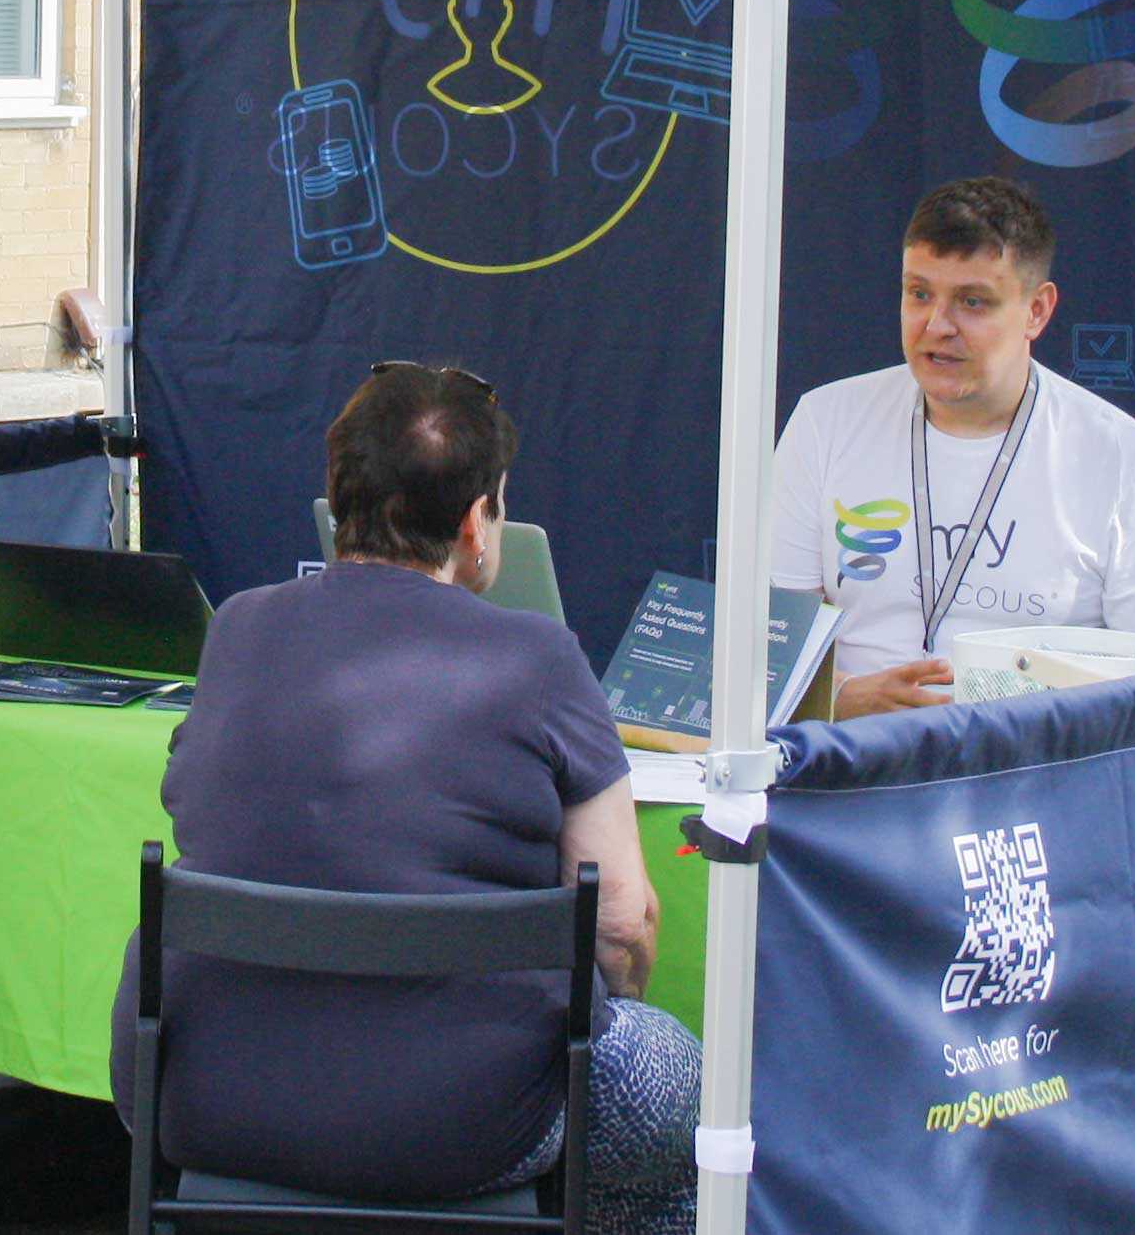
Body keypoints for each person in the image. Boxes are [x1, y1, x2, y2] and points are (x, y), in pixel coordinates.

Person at [116, 363, 701, 1235]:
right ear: (475, 523)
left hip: (199, 1095)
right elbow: (621, 925)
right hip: (463, 1125)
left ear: (337, 493)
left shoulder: (236, 626)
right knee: (671, 1088)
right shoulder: (541, 656)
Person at [769, 174, 1135, 718]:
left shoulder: (1123, 459)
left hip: (1035, 776)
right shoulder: (825, 421)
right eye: (918, 293)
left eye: (972, 302)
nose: (936, 325)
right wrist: (842, 701)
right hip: (848, 765)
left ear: (1037, 312)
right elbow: (764, 653)